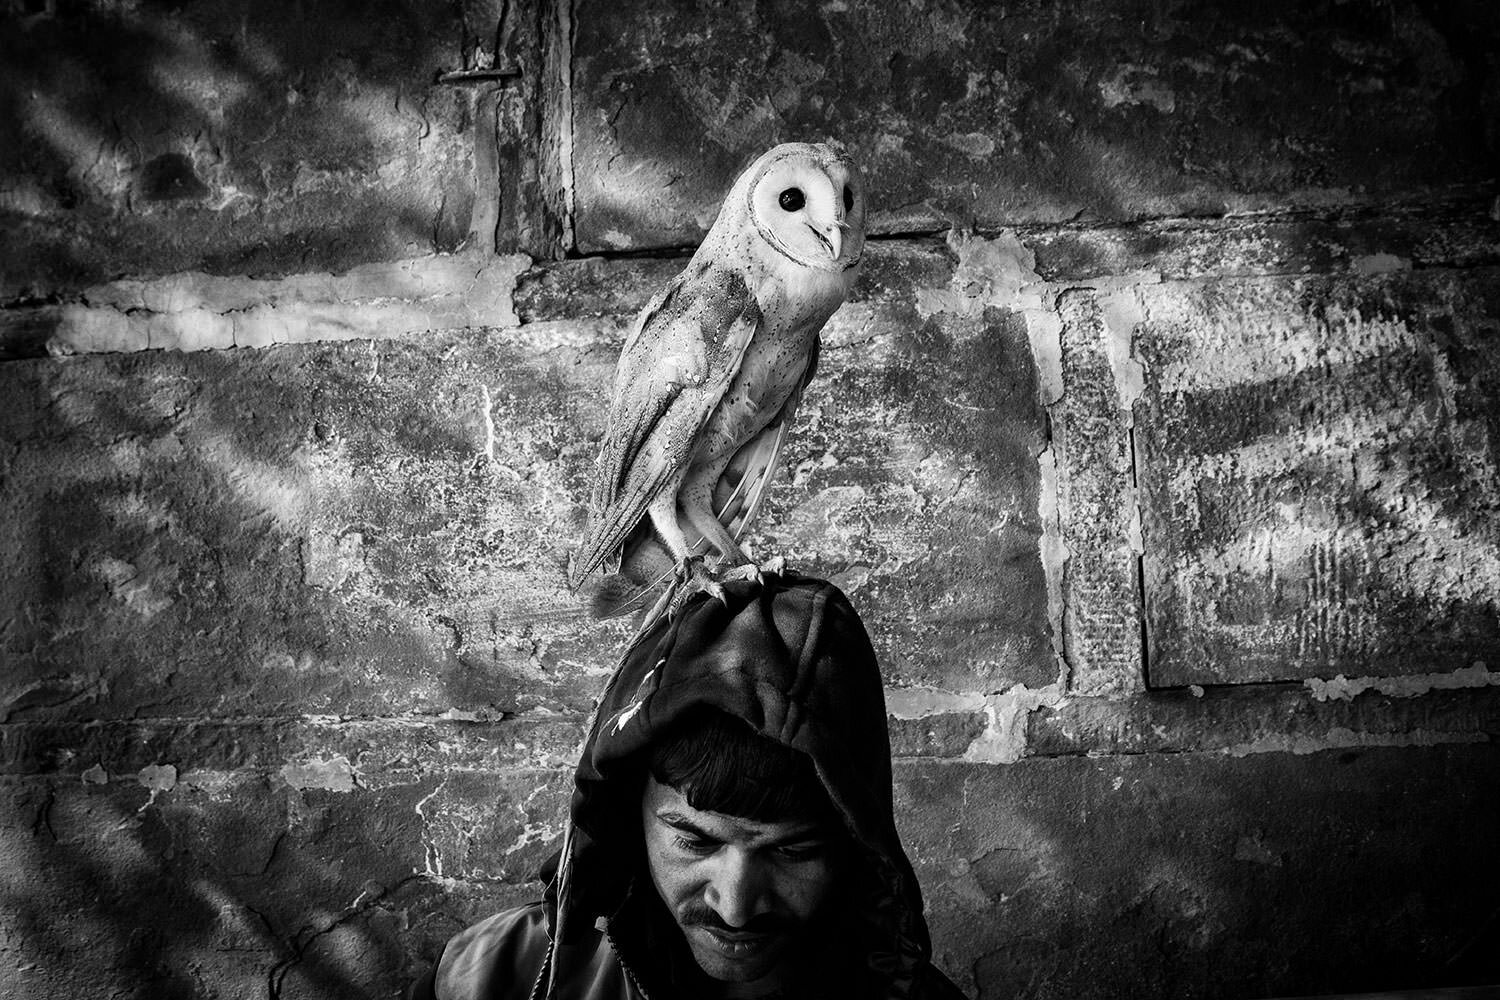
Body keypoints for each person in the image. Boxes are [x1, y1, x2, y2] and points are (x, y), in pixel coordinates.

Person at [412, 572, 969, 999]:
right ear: (631, 811)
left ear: (854, 843)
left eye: (794, 850)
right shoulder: (494, 976)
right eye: (696, 841)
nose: (735, 907)